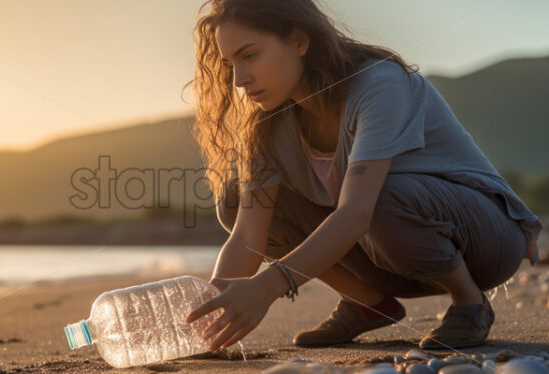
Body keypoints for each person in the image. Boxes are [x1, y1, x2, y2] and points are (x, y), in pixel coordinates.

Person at [182, 0, 544, 352]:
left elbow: (356, 213)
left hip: (486, 243)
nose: (239, 79)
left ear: (299, 41)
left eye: (249, 55)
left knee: (381, 196)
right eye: (231, 64)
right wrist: (211, 311)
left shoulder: (377, 84)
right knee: (236, 200)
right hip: (388, 254)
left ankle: (469, 302)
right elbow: (249, 233)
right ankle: (368, 303)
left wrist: (266, 287)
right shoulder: (268, 124)